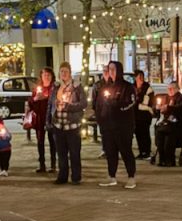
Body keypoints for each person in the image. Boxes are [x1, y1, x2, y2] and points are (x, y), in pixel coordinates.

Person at [95, 60, 137, 188]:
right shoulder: (105, 87)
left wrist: (114, 103)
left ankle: (131, 177)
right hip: (108, 127)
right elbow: (98, 105)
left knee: (126, 151)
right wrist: (100, 121)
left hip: (123, 127)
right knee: (110, 152)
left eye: (113, 69)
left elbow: (130, 104)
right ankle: (111, 176)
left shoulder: (127, 86)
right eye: (109, 69)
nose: (111, 72)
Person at [49, 62, 86, 185]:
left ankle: (76, 177)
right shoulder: (56, 87)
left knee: (74, 152)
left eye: (65, 71)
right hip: (59, 125)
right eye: (61, 71)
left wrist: (69, 106)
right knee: (61, 153)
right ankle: (62, 176)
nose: (63, 74)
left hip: (72, 125)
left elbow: (83, 104)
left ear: (70, 73)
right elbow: (50, 105)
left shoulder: (76, 87)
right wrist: (49, 121)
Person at [154, 81, 182, 166]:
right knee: (160, 133)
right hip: (167, 124)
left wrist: (169, 108)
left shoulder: (181, 98)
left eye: (172, 88)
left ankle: (169, 160)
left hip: (178, 125)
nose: (169, 90)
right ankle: (162, 159)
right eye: (168, 88)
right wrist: (157, 108)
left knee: (169, 134)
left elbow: (181, 109)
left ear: (177, 89)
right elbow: (158, 111)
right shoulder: (166, 97)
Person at [27, 67, 56, 174]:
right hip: (40, 119)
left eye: (48, 75)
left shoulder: (54, 88)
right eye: (44, 75)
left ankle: (53, 165)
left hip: (51, 119)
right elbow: (31, 104)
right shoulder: (37, 89)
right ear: (41, 77)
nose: (46, 77)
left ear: (52, 76)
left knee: (53, 141)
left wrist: (47, 98)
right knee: (40, 142)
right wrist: (36, 99)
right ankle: (42, 164)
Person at [132, 69, 156, 159]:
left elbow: (147, 103)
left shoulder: (148, 88)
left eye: (142, 76)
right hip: (135, 116)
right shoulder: (133, 87)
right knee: (138, 133)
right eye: (139, 77)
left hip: (145, 116)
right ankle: (141, 151)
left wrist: (137, 105)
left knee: (145, 133)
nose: (141, 79)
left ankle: (147, 152)